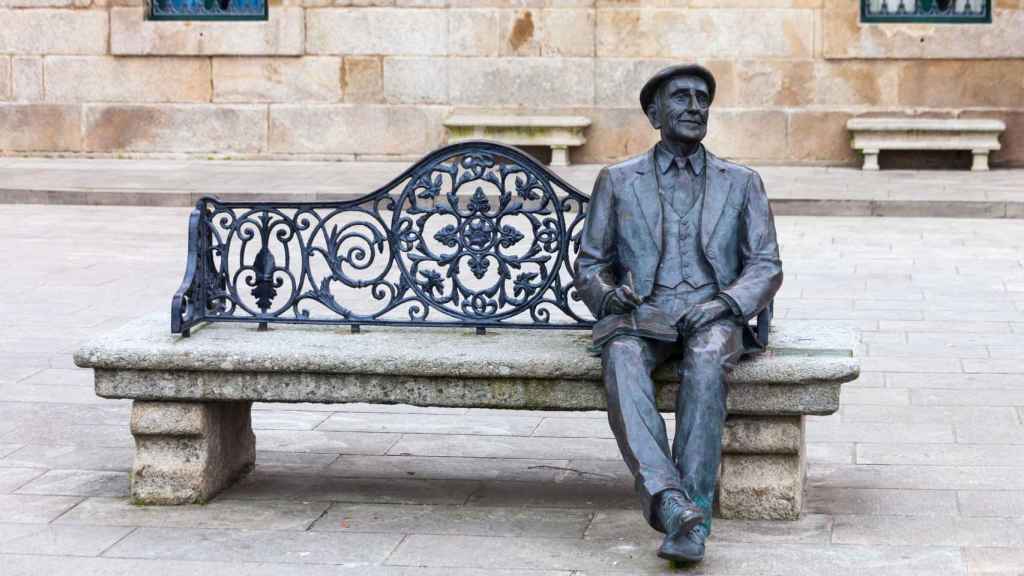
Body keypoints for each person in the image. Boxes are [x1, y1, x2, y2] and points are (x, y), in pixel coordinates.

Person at [573, 63, 783, 564]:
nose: (694, 107)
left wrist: (725, 304)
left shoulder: (742, 181)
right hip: (643, 315)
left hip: (714, 314)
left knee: (708, 357)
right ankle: (672, 504)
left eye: (702, 99)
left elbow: (766, 264)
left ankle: (693, 521)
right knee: (621, 354)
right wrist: (608, 296)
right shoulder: (619, 181)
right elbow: (590, 265)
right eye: (681, 98)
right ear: (653, 113)